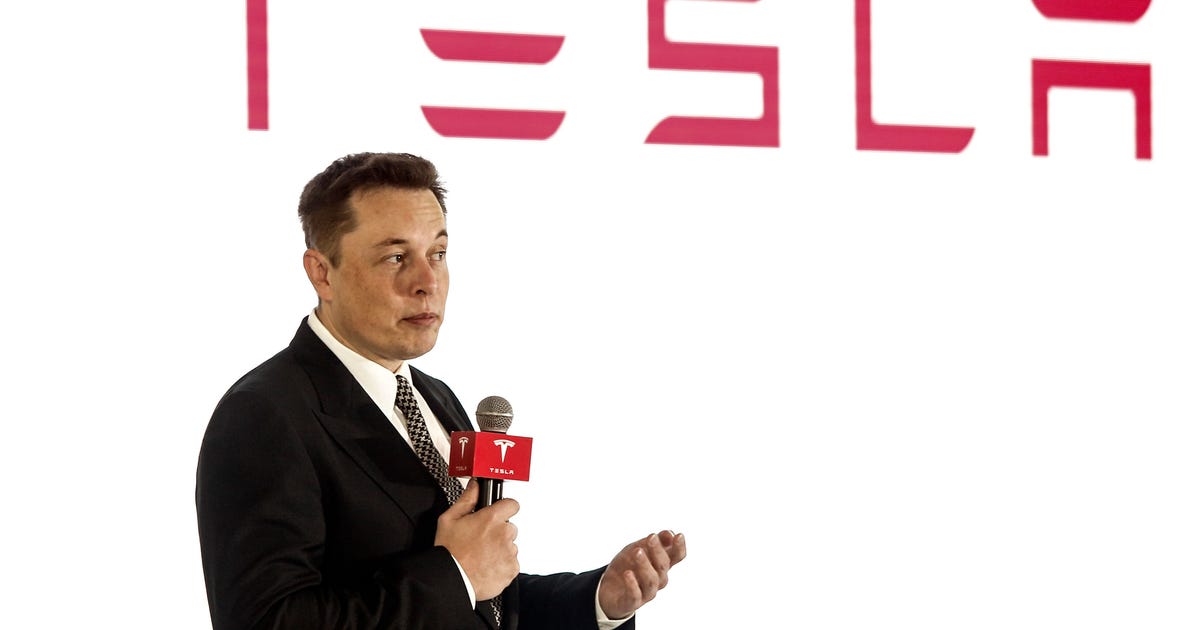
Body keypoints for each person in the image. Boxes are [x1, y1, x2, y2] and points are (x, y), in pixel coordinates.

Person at [195, 152, 686, 630]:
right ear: (322, 272)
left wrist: (599, 600)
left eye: (438, 254)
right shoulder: (263, 415)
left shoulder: (435, 398)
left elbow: (483, 605)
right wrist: (456, 576)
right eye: (395, 257)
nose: (427, 281)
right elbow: (267, 620)